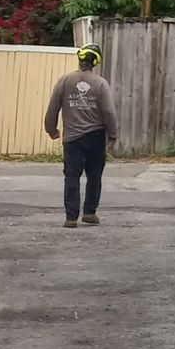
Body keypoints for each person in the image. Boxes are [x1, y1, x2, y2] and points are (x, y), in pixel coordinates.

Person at [45, 45, 118, 227]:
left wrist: (51, 129)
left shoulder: (64, 81)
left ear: (80, 59)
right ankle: (89, 213)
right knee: (94, 175)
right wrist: (113, 134)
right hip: (95, 136)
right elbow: (109, 112)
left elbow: (53, 108)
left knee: (71, 175)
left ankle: (71, 218)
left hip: (72, 138)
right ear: (95, 62)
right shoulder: (100, 83)